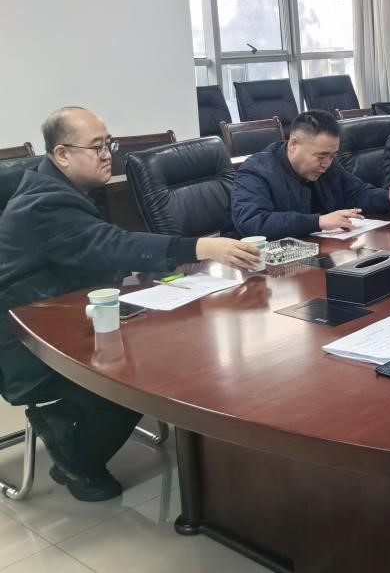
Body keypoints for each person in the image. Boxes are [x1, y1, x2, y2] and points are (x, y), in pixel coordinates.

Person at [0, 107, 260, 501]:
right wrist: (201, 246)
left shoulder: (61, 187)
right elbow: (111, 245)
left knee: (168, 342)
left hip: (66, 315)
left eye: (110, 144)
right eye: (97, 147)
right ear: (62, 154)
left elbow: (91, 250)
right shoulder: (45, 202)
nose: (108, 155)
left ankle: (74, 423)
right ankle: (74, 455)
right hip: (27, 343)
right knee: (139, 377)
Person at [232, 110, 390, 240]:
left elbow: (357, 193)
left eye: (332, 156)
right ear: (293, 145)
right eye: (321, 156)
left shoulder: (327, 166)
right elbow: (252, 222)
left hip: (321, 251)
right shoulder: (256, 171)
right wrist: (318, 222)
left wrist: (389, 198)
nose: (327, 164)